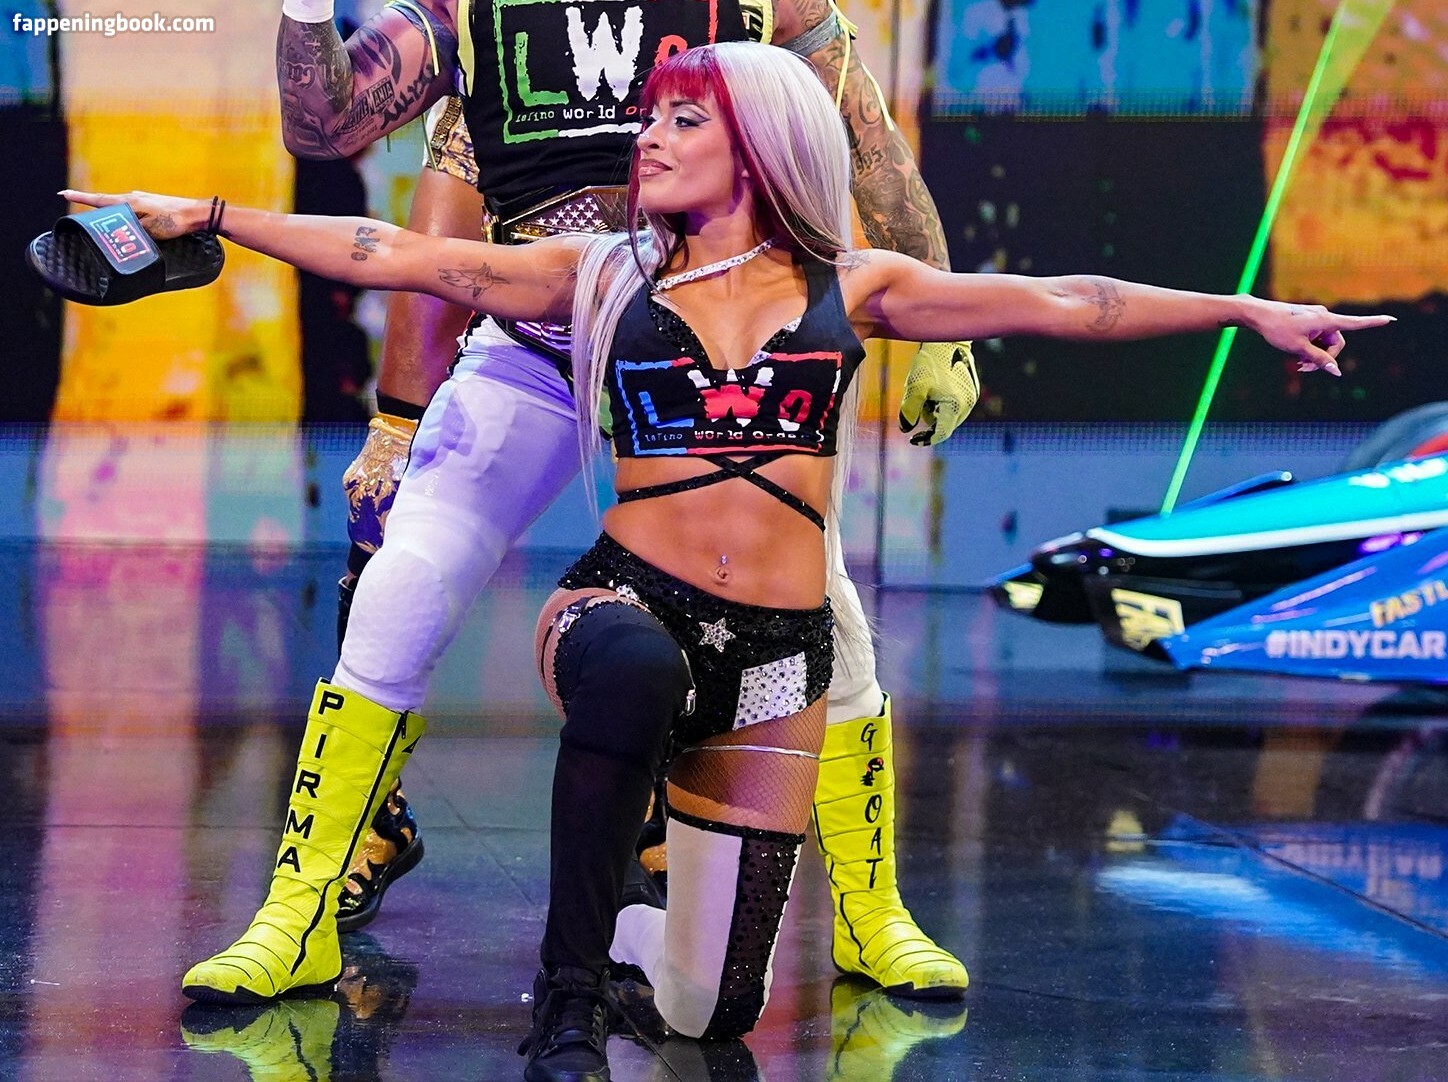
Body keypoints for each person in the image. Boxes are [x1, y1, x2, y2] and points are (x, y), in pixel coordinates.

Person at [64, 40, 1387, 1082]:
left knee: (712, 1007)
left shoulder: (853, 286)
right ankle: (563, 1003)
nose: (646, 137)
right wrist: (212, 212)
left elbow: (1068, 301)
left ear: (754, 143)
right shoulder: (598, 273)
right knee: (628, 670)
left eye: (681, 120)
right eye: (651, 118)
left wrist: (1247, 309)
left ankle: (641, 946)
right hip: (622, 602)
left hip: (774, 657)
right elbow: (395, 251)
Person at [281, 0, 978, 997]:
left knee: (824, 613)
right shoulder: (468, 9)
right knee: (401, 580)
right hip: (536, 344)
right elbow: (350, 151)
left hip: (704, 349)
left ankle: (872, 915)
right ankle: (297, 910)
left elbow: (863, 138)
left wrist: (945, 324)